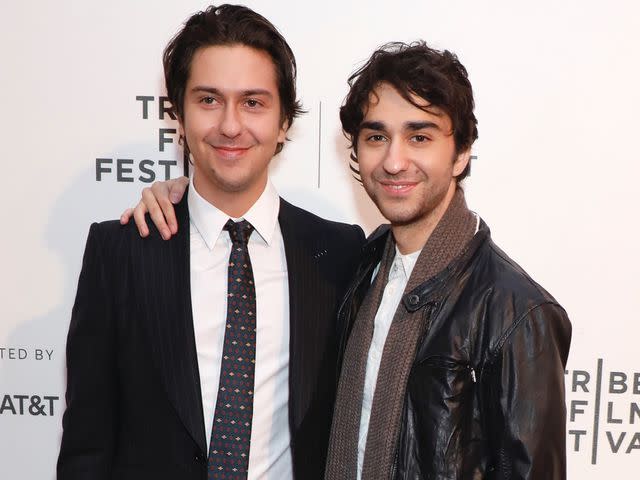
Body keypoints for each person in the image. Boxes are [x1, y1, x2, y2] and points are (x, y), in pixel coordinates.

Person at [129, 43, 571, 479]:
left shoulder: (518, 313)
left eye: (420, 137)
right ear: (356, 152)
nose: (395, 161)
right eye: (377, 137)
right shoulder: (358, 266)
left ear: (460, 153)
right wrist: (182, 197)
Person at [57, 5, 364, 480]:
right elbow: (86, 447)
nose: (230, 125)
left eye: (254, 102)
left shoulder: (340, 253)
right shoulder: (120, 251)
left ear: (284, 122)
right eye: (208, 100)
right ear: (177, 113)